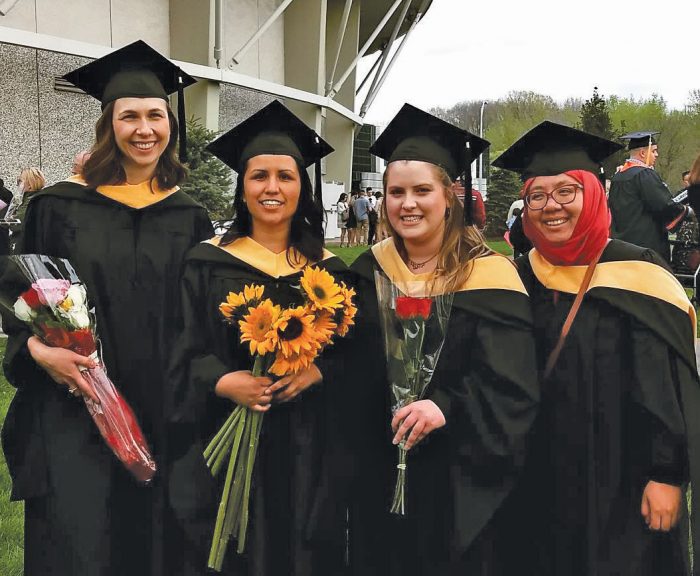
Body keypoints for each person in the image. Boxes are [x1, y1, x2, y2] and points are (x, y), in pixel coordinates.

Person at [1, 40, 213, 576]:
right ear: (108, 124)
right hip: (76, 405)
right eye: (130, 116)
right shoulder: (57, 206)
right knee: (80, 540)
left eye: (155, 116)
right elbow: (23, 296)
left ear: (170, 124)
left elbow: (207, 317)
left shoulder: (189, 218)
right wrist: (38, 353)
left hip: (164, 405)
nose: (144, 129)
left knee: (157, 542)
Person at [493, 120, 700, 576]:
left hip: (620, 475)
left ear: (593, 195)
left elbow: (661, 384)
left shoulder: (636, 271)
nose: (552, 207)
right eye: (537, 196)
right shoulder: (516, 277)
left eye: (567, 192)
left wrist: (666, 474)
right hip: (536, 474)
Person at [349, 103, 539, 576]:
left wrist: (446, 406)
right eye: (395, 192)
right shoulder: (365, 272)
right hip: (377, 463)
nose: (406, 204)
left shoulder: (491, 277)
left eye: (421, 191)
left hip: (459, 471)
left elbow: (513, 384)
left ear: (450, 196)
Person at [167, 100, 351, 575]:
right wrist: (223, 381)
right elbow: (180, 343)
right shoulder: (207, 262)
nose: (272, 188)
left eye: (285, 176)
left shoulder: (330, 272)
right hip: (222, 432)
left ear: (301, 188)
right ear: (242, 188)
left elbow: (359, 353)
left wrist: (317, 370)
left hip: (307, 447)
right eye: (259, 176)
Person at [608, 131, 690, 263]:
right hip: (645, 246)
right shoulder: (644, 174)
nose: (657, 155)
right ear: (642, 153)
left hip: (622, 244)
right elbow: (663, 205)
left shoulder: (619, 176)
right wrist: (686, 211)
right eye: (654, 151)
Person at [11, 166, 46, 253]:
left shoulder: (31, 201)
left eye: (20, 181)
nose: (17, 184)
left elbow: (15, 224)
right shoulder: (41, 198)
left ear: (30, 185)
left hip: (26, 250)